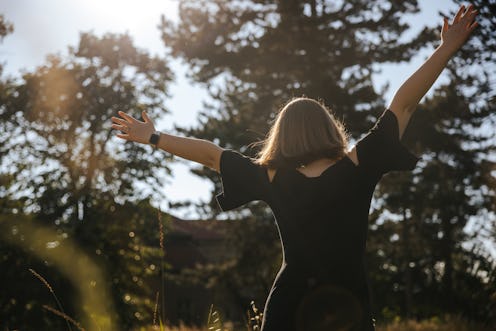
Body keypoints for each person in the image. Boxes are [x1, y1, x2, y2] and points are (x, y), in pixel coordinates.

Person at [111, 4, 478, 331]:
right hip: (348, 306)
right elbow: (404, 104)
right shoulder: (357, 164)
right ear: (328, 127)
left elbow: (211, 154)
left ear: (281, 136)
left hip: (287, 309)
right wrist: (446, 48)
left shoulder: (273, 178)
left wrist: (154, 137)